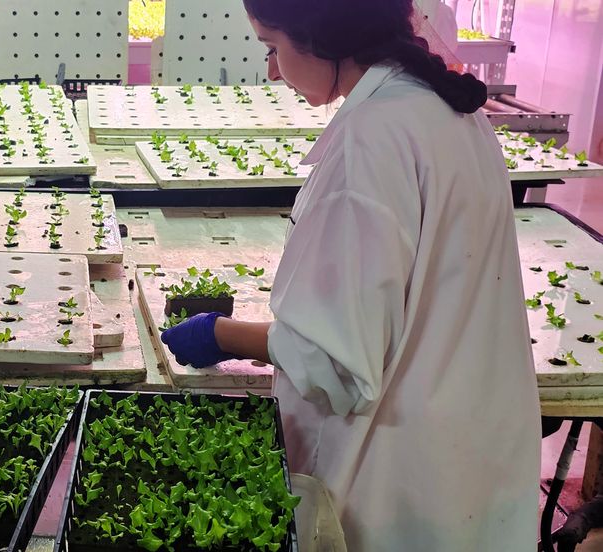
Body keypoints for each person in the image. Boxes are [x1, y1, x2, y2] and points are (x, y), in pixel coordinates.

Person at [160, 0, 541, 549]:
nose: (270, 69)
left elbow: (336, 367)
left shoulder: (371, 139)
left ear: (321, 36)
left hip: (396, 479)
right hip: (469, 455)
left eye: (273, 48)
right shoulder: (444, 107)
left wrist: (222, 334)